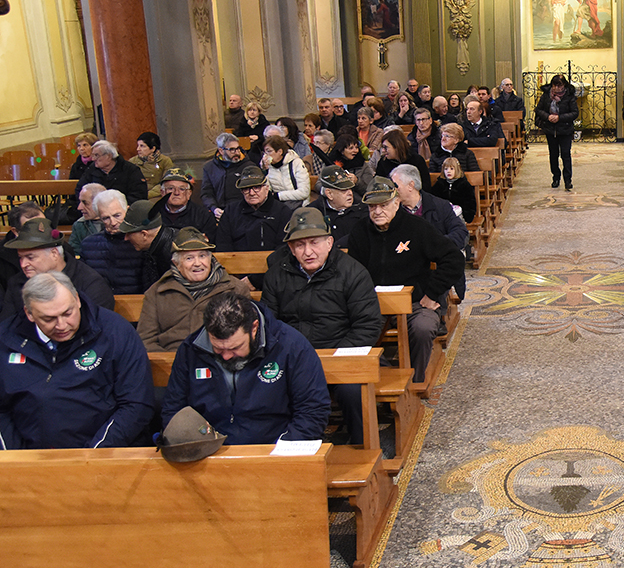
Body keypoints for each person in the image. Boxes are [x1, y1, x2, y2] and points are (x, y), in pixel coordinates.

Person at [263, 208, 384, 445]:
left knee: (353, 391)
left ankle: (363, 449)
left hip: (340, 352)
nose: (308, 251)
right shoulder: (276, 274)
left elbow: (368, 325)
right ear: (291, 249)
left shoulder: (353, 272)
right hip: (293, 357)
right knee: (265, 386)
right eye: (299, 245)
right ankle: (283, 447)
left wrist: (335, 356)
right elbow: (269, 325)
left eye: (314, 243)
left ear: (329, 243)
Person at [0, 272, 156, 450]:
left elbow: (136, 404)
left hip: (104, 454)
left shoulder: (115, 332)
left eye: (68, 313)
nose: (61, 325)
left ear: (77, 300)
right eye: (48, 318)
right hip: (28, 458)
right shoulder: (6, 339)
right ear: (29, 313)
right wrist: (15, 458)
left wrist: (93, 454)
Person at [162, 290, 329, 444]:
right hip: (206, 449)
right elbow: (174, 408)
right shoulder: (191, 349)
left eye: (235, 348)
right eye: (218, 348)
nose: (226, 356)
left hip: (273, 447)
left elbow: (312, 410)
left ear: (254, 328)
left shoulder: (291, 345)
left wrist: (281, 450)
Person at [349, 179, 464, 378]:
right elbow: (351, 271)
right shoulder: (360, 231)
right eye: (372, 207)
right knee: (351, 333)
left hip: (414, 302)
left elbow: (453, 259)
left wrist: (432, 293)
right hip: (373, 303)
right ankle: (381, 377)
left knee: (423, 327)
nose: (377, 212)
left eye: (383, 205)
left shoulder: (417, 227)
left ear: (396, 203)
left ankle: (414, 379)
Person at [137, 227, 248, 352]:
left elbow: (245, 335)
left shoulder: (235, 289)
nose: (197, 263)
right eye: (189, 258)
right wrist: (169, 363)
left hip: (220, 360)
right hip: (171, 361)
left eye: (202, 256)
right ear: (176, 264)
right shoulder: (157, 292)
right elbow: (146, 340)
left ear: (210, 259)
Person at [1, 217, 113, 318]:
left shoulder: (90, 283)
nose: (23, 264)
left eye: (30, 257)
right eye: (20, 258)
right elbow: (6, 327)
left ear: (54, 254)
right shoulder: (17, 283)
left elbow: (98, 326)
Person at [79, 190, 147, 294]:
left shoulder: (141, 243)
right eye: (106, 218)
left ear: (127, 211)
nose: (113, 223)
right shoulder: (88, 245)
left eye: (117, 215)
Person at [118, 199, 176, 294]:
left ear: (144, 234)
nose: (126, 238)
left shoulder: (173, 254)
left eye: (129, 233)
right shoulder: (153, 249)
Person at [201, 133, 261, 219]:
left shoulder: (248, 166)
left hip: (243, 212)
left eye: (238, 148)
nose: (237, 153)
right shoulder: (209, 167)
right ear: (221, 151)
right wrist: (214, 208)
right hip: (218, 211)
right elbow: (206, 193)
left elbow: (255, 193)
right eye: (232, 150)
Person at [536, 74, 579, 191]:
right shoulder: (546, 95)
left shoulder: (569, 96)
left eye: (559, 86)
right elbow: (539, 109)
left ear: (563, 85)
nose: (556, 88)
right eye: (554, 86)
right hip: (550, 129)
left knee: (565, 154)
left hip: (564, 129)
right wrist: (548, 116)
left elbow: (574, 113)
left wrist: (560, 117)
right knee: (553, 155)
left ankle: (568, 180)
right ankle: (555, 177)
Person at [76, 140, 148, 204]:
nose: (93, 159)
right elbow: (80, 189)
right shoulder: (92, 169)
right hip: (95, 211)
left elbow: (138, 195)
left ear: (108, 156)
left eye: (96, 155)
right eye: (93, 155)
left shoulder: (130, 170)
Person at [314, 165, 368, 249]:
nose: (350, 193)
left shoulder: (362, 209)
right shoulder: (314, 212)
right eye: (344, 190)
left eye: (350, 188)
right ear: (329, 194)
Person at [375, 129, 432, 193]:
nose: (383, 150)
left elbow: (425, 186)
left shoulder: (417, 160)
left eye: (386, 147)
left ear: (396, 147)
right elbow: (378, 185)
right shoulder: (383, 162)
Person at [261, 135, 311, 206]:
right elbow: (266, 191)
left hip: (298, 205)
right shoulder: (269, 166)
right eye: (265, 152)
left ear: (280, 151)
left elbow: (304, 192)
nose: (266, 156)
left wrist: (278, 196)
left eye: (269, 151)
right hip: (278, 204)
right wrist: (264, 171)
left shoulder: (296, 163)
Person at [429, 156, 477, 225]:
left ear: (457, 170)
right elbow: (434, 200)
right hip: (443, 215)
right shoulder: (439, 184)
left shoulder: (464, 185)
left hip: (459, 215)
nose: (448, 171)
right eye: (446, 169)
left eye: (451, 169)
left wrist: (467, 217)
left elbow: (470, 203)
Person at [131, 132, 174, 199]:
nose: (138, 149)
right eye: (138, 145)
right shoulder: (132, 161)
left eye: (142, 146)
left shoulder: (165, 161)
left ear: (153, 148)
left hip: (157, 195)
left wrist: (148, 195)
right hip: (137, 196)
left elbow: (166, 182)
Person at [69, 182, 106, 257]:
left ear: (99, 203)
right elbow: (73, 254)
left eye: (85, 203)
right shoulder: (79, 225)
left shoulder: (116, 224)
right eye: (80, 202)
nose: (79, 208)